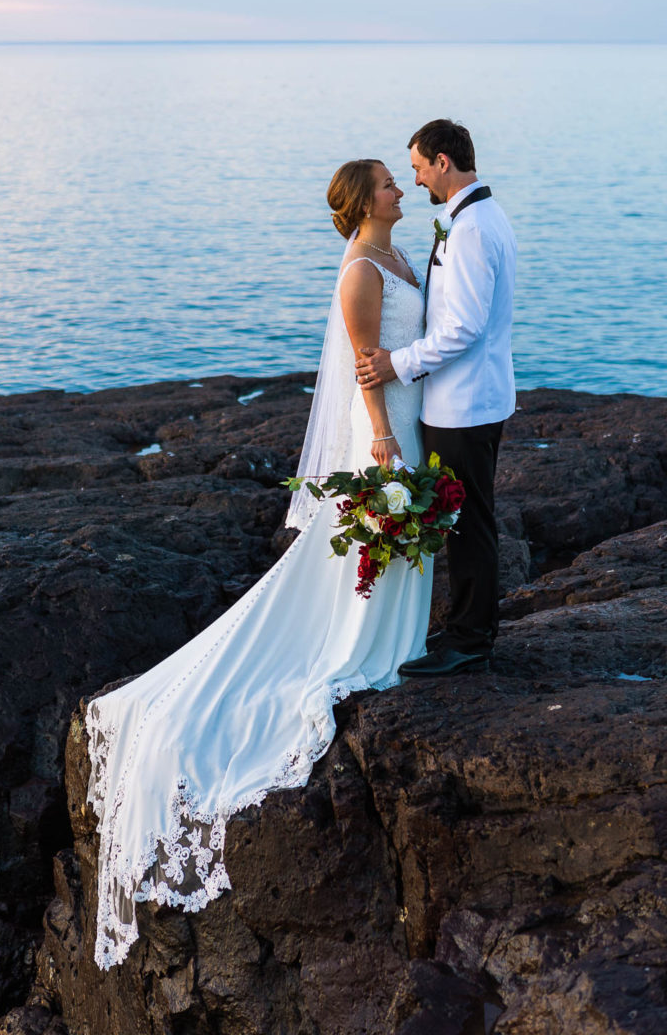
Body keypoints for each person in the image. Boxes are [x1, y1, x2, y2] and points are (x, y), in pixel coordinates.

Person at [84, 159, 433, 970]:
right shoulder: (359, 270)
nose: (399, 191)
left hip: (414, 417)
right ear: (361, 202)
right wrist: (380, 438)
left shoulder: (399, 258)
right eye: (388, 183)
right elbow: (362, 361)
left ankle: (392, 633)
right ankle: (360, 639)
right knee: (372, 539)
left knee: (398, 538)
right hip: (384, 430)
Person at [356, 120, 517, 677]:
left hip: (465, 403)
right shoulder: (472, 218)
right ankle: (469, 630)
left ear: (443, 162)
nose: (416, 179)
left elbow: (464, 328)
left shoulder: (471, 229)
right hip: (467, 398)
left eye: (420, 167)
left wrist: (396, 363)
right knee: (468, 519)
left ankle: (470, 641)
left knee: (468, 522)